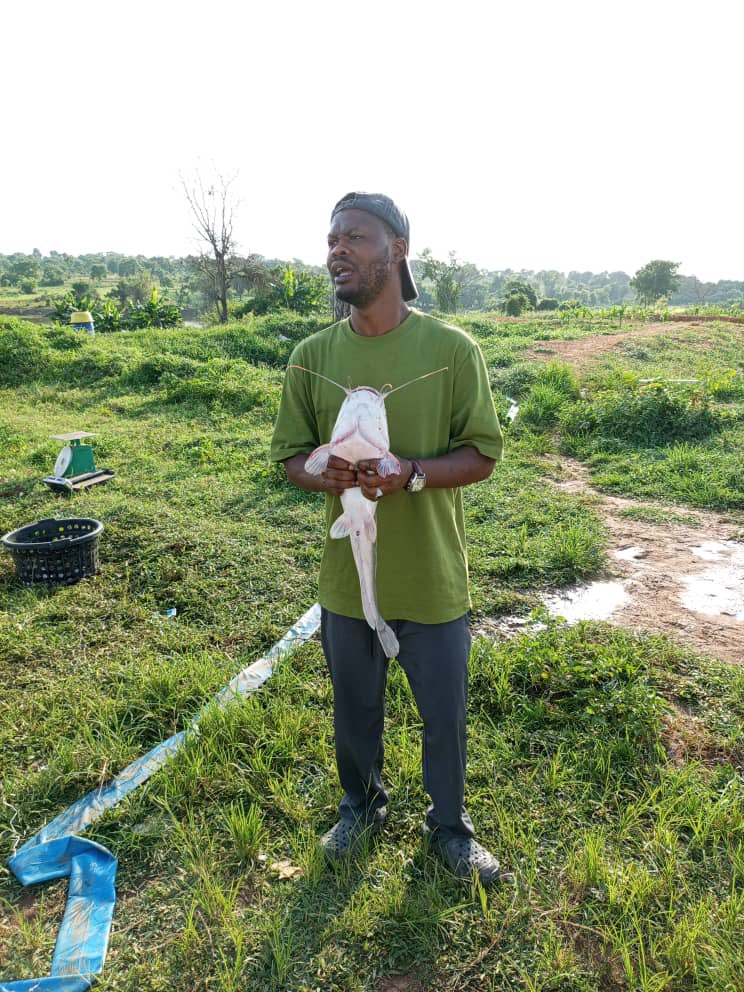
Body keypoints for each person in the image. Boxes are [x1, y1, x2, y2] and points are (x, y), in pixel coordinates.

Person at [270, 192, 503, 886]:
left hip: (430, 576)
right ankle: (360, 808)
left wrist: (411, 476)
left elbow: (483, 454)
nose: (337, 250)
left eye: (356, 237)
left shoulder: (452, 351)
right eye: (332, 239)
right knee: (355, 708)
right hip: (349, 580)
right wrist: (327, 474)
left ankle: (451, 832)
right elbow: (289, 458)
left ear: (397, 248)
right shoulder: (311, 357)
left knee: (444, 716)